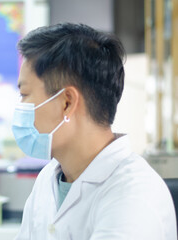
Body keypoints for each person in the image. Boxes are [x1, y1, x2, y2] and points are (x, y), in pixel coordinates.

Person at [12, 23, 177, 240]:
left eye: (24, 94)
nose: (20, 106)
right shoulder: (48, 179)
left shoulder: (134, 195)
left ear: (66, 103)